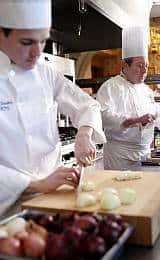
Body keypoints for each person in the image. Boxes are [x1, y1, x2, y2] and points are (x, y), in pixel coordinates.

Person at [0, 0, 106, 217]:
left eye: (42, 41)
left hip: (54, 196)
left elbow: (87, 105)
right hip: (7, 204)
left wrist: (84, 134)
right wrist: (36, 184)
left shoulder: (44, 72)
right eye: (27, 42)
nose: (37, 53)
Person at [97, 26, 160, 171]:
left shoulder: (146, 90)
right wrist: (133, 121)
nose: (144, 71)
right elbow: (102, 116)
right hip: (119, 156)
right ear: (124, 65)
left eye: (146, 66)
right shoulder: (110, 87)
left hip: (144, 155)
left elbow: (155, 116)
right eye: (139, 66)